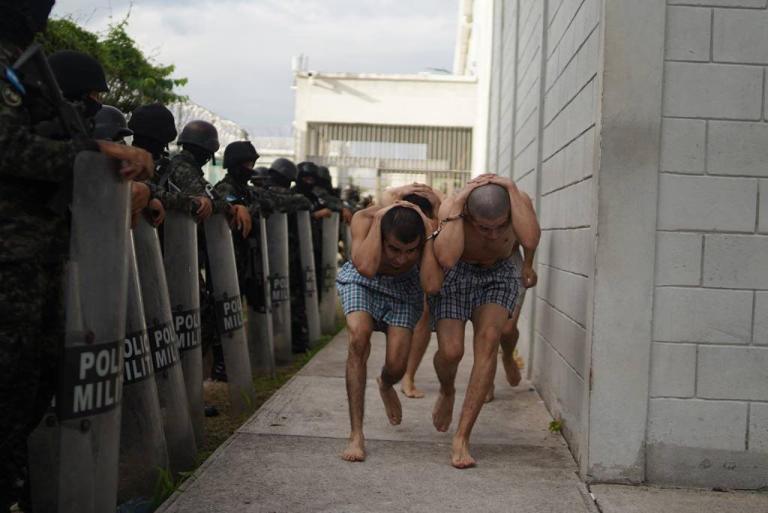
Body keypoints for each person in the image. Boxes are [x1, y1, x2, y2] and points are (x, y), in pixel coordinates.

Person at [0, 2, 153, 507]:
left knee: (35, 386)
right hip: (10, 259)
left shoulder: (23, 62)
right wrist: (90, 156)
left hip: (40, 257)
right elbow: (10, 147)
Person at [430, 174, 540, 468]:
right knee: (451, 351)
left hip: (499, 273)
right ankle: (447, 389)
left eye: (500, 227)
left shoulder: (518, 201)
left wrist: (527, 263)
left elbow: (528, 239)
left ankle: (462, 437)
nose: (492, 235)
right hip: (458, 273)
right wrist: (458, 205)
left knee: (490, 340)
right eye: (483, 228)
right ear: (468, 214)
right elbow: (447, 258)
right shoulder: (452, 207)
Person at [336, 201, 443, 462]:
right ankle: (356, 435)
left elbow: (430, 285)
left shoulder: (429, 231)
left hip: (405, 290)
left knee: (396, 365)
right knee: (359, 338)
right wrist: (379, 223)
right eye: (394, 248)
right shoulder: (365, 219)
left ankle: (385, 384)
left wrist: (428, 236)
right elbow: (366, 268)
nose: (400, 258)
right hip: (363, 281)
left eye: (410, 251)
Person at [380, 184, 443, 399]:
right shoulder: (394, 210)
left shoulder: (433, 217)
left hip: (423, 266)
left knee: (424, 313)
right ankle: (397, 371)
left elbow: (446, 223)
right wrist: (400, 192)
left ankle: (408, 375)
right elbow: (384, 198)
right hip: (394, 271)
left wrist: (436, 203)